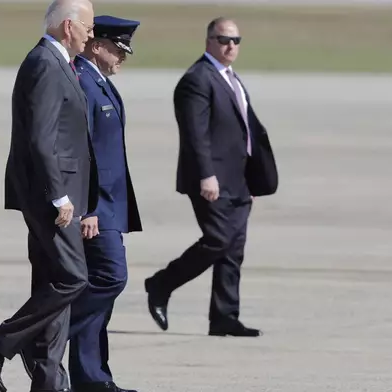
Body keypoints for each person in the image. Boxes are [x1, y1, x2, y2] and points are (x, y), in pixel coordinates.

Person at [0, 1, 97, 391]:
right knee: (74, 277)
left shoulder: (56, 61)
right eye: (88, 27)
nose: (92, 34)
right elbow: (40, 139)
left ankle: (48, 381)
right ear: (69, 26)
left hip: (58, 191)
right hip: (51, 195)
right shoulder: (44, 62)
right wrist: (59, 196)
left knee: (53, 282)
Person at [18, 15, 142, 392]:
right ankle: (39, 341)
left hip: (109, 206)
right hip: (95, 208)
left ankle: (92, 376)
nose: (123, 56)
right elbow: (79, 150)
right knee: (110, 278)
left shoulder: (100, 82)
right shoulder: (82, 81)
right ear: (97, 45)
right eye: (118, 49)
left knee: (98, 287)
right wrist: (89, 208)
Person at [144, 17, 278, 337]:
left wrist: (254, 177)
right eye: (223, 40)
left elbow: (245, 130)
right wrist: (207, 176)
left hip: (240, 180)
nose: (231, 46)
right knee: (218, 240)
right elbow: (195, 134)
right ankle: (162, 283)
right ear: (208, 41)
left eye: (236, 41)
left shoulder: (231, 78)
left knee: (233, 249)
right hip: (212, 180)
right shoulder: (197, 80)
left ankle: (224, 317)